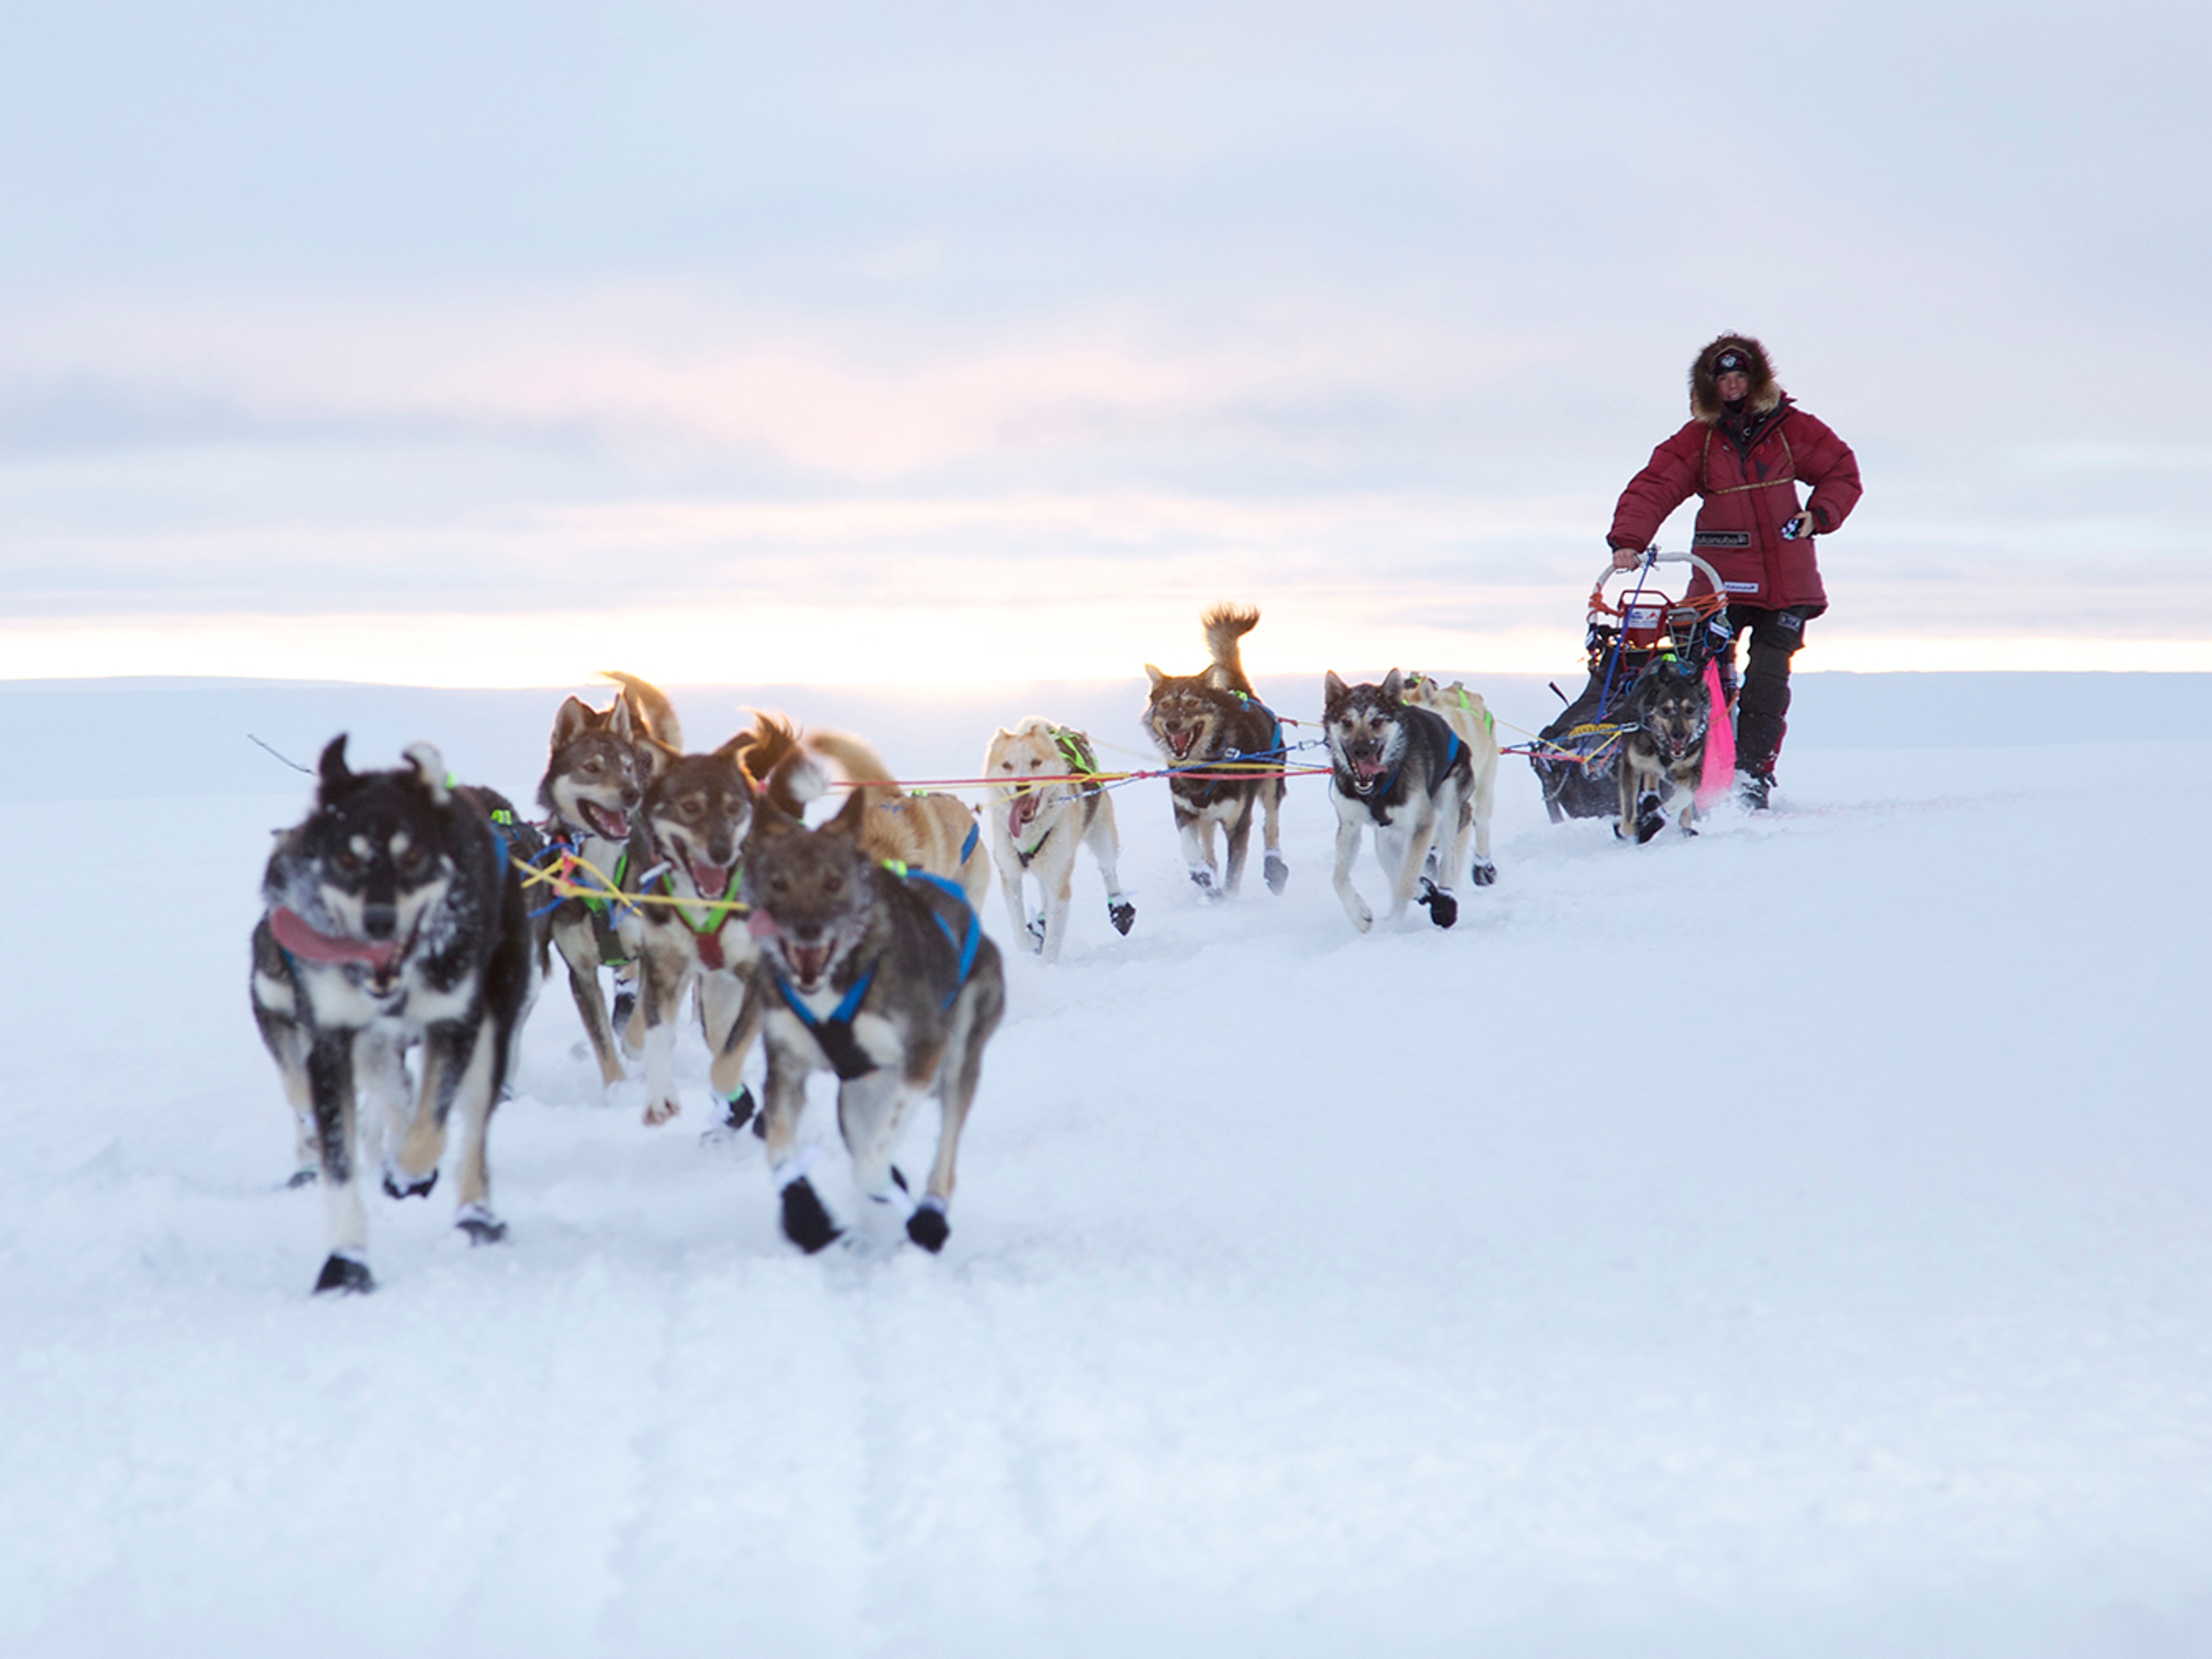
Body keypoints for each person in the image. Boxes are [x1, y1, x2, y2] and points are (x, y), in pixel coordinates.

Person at [1606, 334, 1861, 808]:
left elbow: (1841, 471)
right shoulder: (1699, 440)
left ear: (1757, 379)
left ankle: (1750, 776)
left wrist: (1818, 515)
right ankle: (1684, 771)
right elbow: (1656, 485)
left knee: (1766, 678)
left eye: (1740, 377)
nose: (1732, 387)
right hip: (1718, 582)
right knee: (1693, 674)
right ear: (1709, 386)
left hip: (1787, 585)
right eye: (1722, 379)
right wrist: (1628, 541)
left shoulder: (1794, 430)